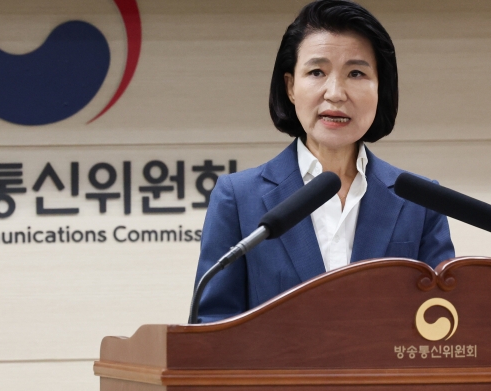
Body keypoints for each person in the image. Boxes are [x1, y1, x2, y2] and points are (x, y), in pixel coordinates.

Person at [193, 0, 455, 324]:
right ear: (290, 86)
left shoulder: (421, 201)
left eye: (356, 73)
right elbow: (212, 328)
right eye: (317, 72)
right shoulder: (238, 198)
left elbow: (445, 324)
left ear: (380, 87)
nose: (335, 93)